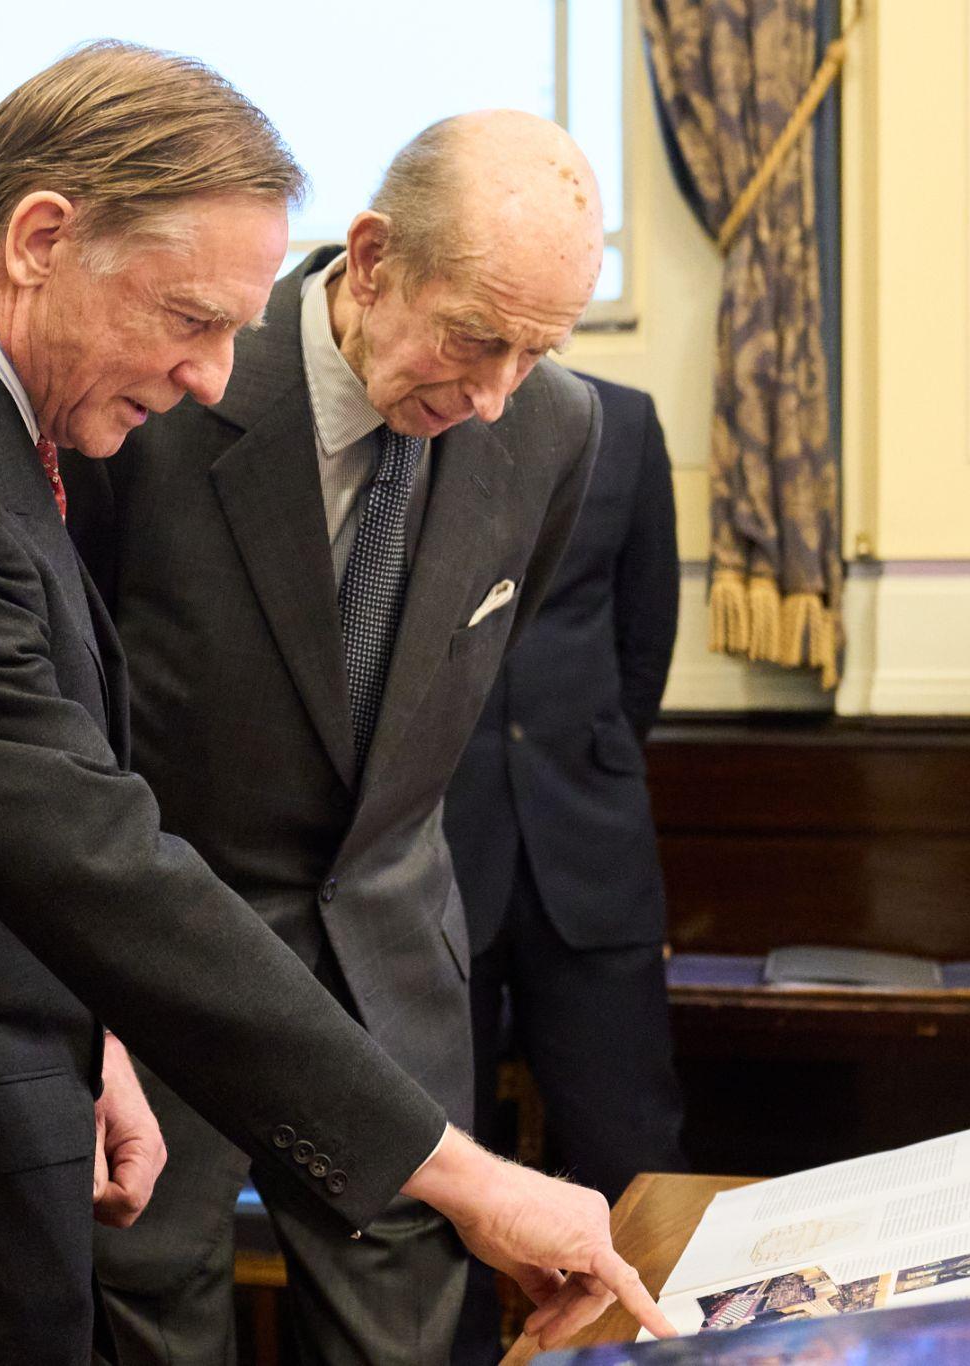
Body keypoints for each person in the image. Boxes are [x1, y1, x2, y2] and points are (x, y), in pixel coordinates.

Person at [0, 46, 666, 1365]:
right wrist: (479, 1178)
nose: (211, 375)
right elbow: (88, 847)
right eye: (192, 320)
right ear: (43, 238)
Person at [62, 110, 609, 1364]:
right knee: (148, 1305)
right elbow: (67, 706)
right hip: (168, 967)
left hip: (389, 972)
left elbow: (448, 696)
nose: (490, 395)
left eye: (536, 349)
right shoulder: (170, 388)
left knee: (404, 1338)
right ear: (368, 260)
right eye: (475, 337)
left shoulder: (550, 429)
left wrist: (510, 368)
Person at [444, 374, 687, 1362]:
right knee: (439, 1172)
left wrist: (578, 761)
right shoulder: (414, 410)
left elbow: (644, 640)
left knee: (635, 1155)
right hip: (430, 863)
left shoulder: (622, 421)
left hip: (588, 848)